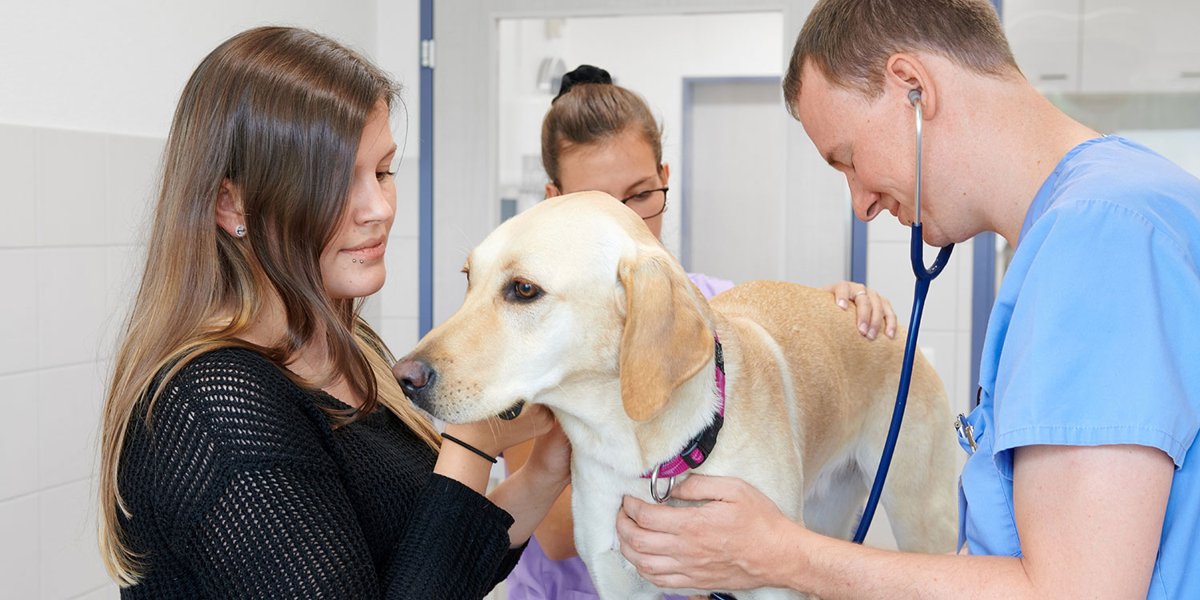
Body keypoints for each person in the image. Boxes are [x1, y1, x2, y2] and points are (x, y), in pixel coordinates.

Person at [615, 0, 1200, 598]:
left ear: (913, 89)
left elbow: (1075, 592)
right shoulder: (1127, 203)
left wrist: (781, 555)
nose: (861, 204)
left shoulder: (1098, 239)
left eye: (847, 159)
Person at [97, 26, 569, 599]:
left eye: (383, 171)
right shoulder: (213, 404)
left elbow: (428, 563)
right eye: (336, 179)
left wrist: (545, 468)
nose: (379, 209)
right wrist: (472, 441)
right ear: (231, 202)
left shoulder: (346, 343)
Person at [504, 64, 900, 600]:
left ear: (664, 176)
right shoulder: (531, 337)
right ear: (555, 201)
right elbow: (553, 533)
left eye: (642, 194)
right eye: (600, 206)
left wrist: (832, 312)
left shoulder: (713, 313)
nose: (630, 226)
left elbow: (778, 375)